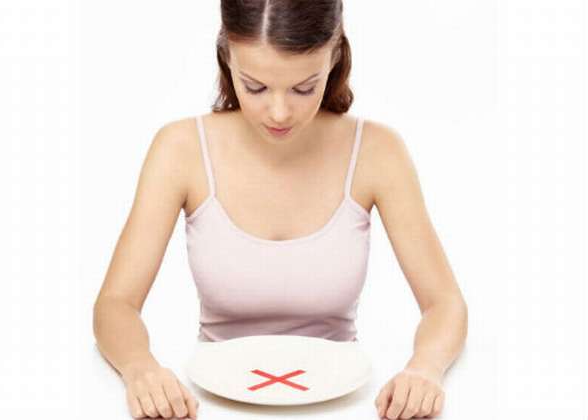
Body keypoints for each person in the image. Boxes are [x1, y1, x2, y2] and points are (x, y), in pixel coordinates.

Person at [92, 1, 468, 419]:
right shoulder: (180, 149)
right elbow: (116, 303)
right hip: (209, 406)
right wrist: (140, 369)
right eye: (254, 87)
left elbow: (445, 303)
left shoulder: (378, 152)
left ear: (335, 56)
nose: (279, 112)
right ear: (226, 56)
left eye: (304, 88)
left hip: (343, 407)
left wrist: (424, 370)